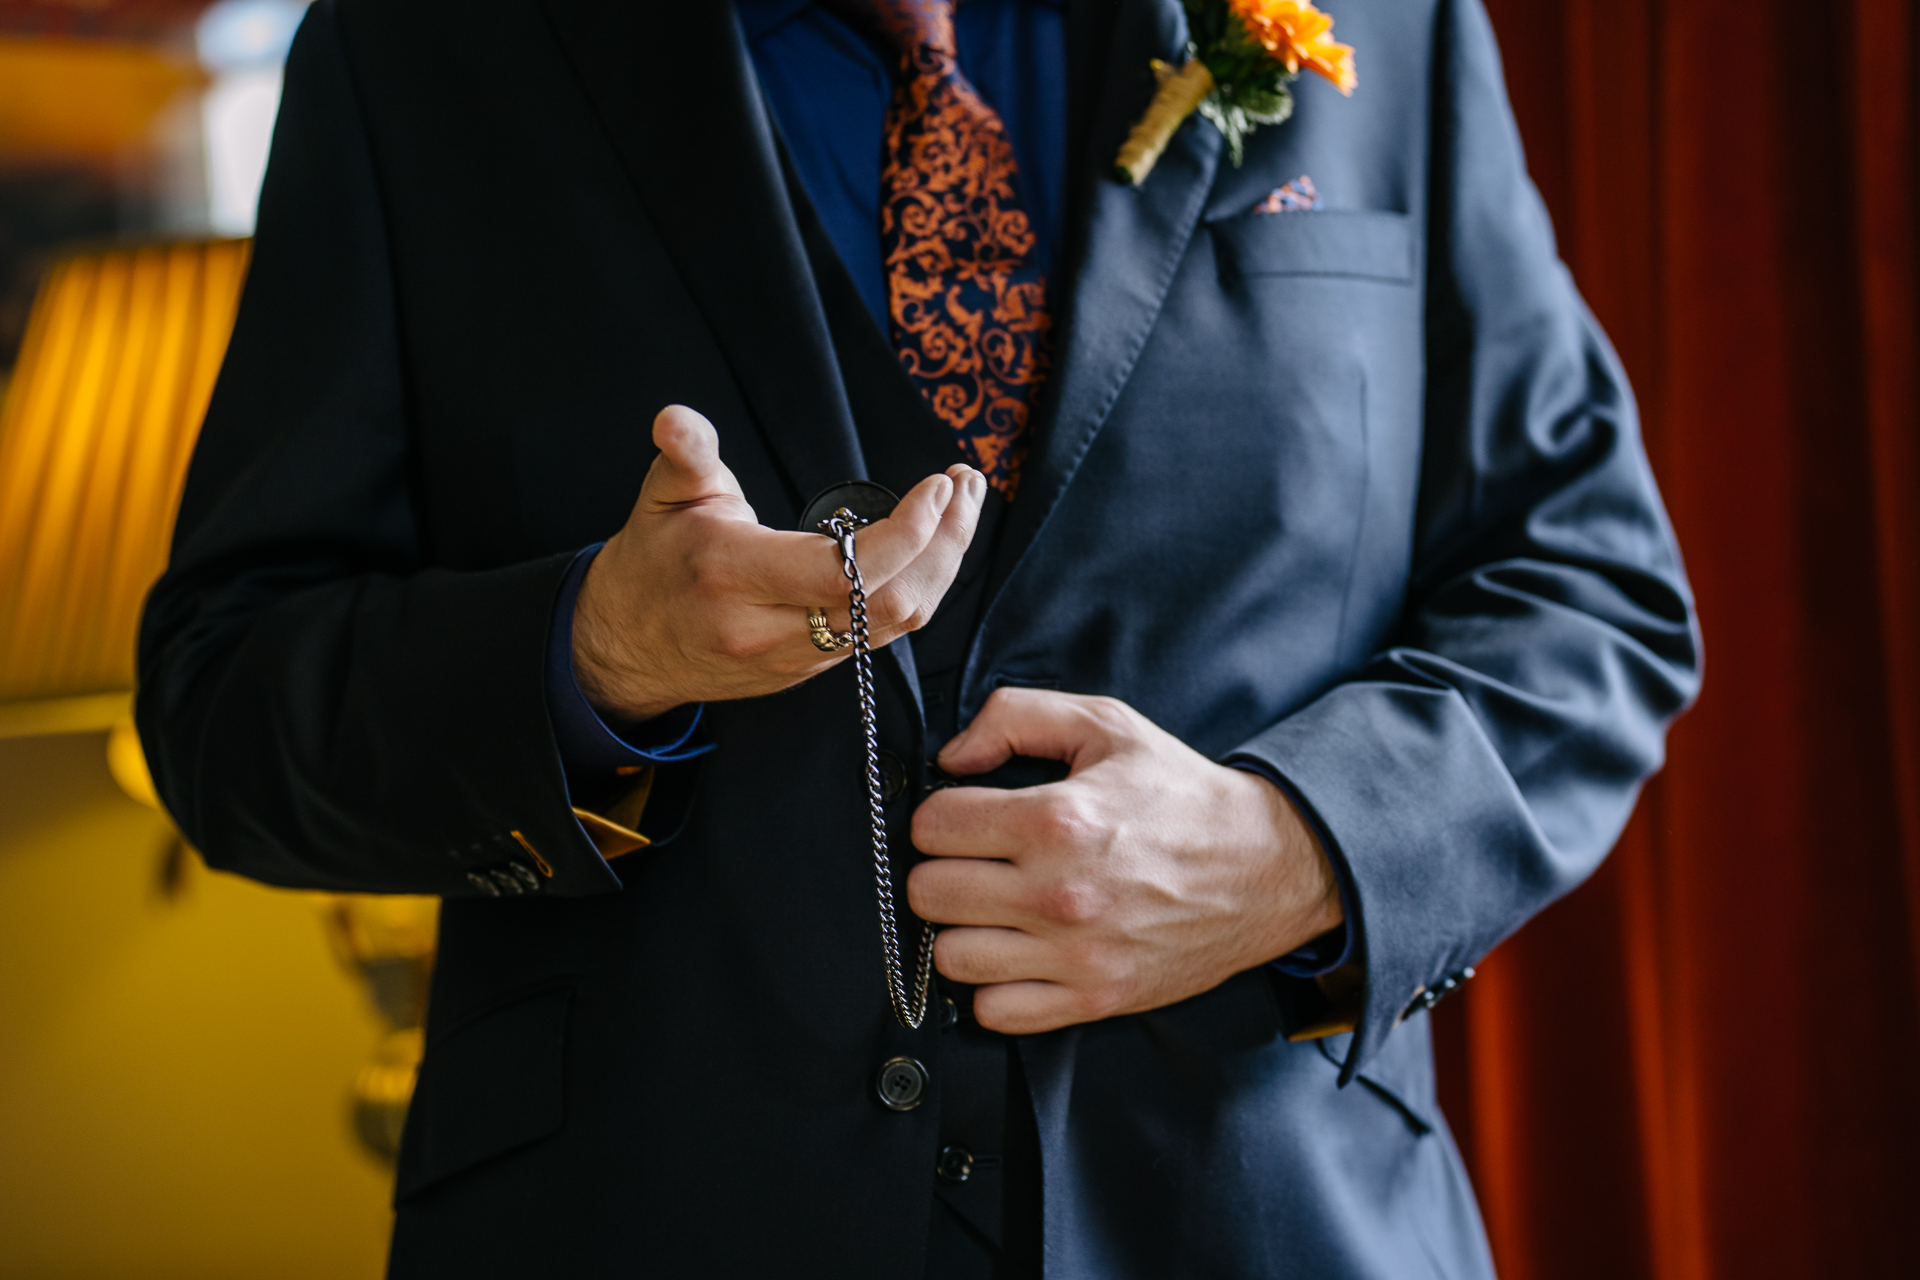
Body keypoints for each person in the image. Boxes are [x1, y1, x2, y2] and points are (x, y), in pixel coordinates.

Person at [135, 0, 1701, 1275]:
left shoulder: (1392, 25)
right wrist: (593, 656)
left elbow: (1593, 594)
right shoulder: (423, 47)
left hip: (1270, 1223)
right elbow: (226, 697)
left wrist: (1293, 848)